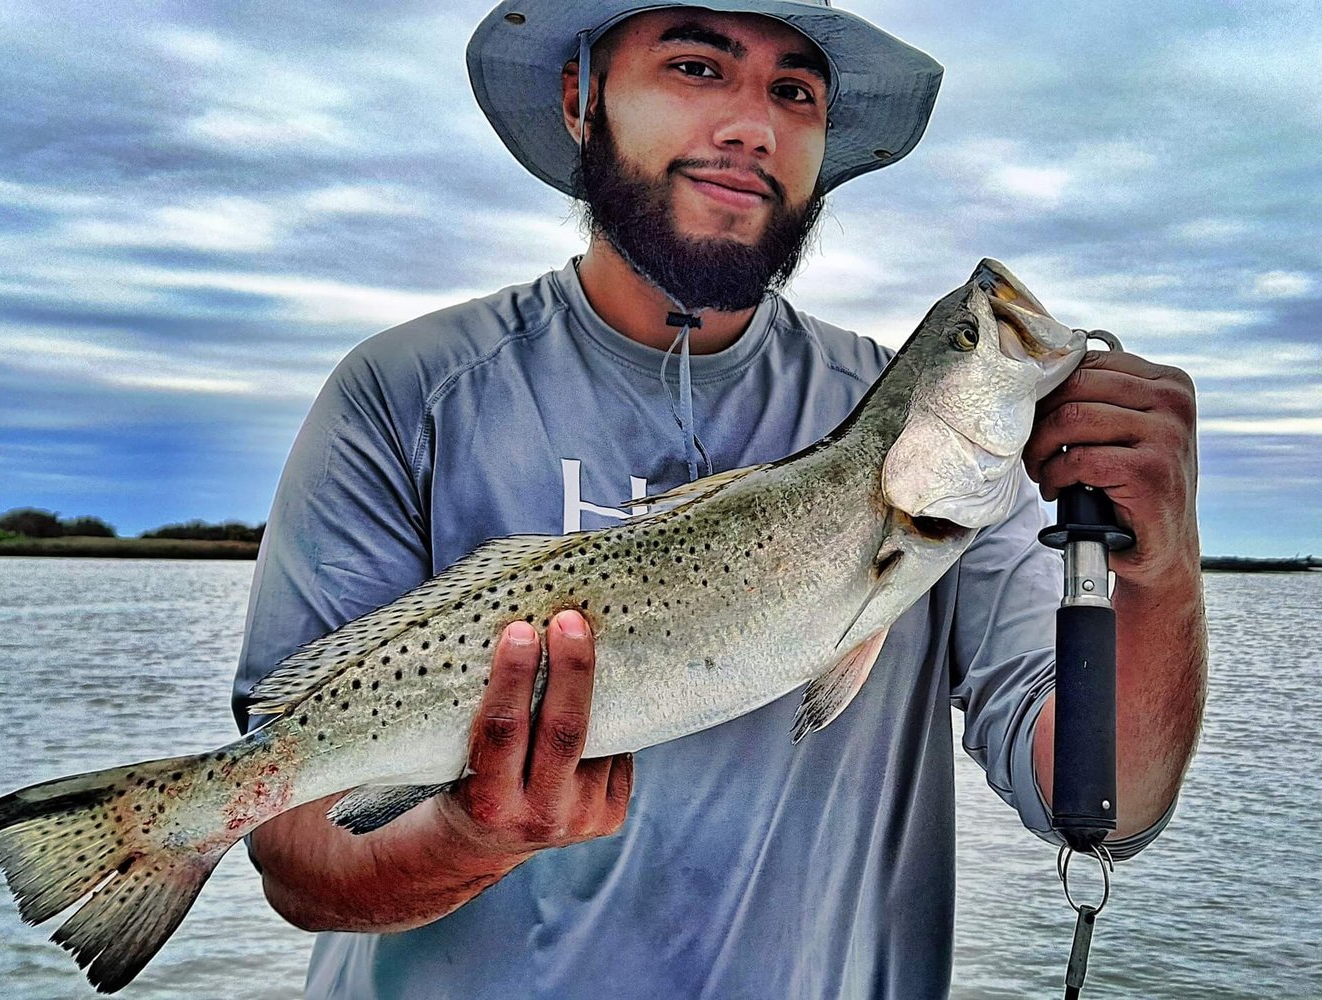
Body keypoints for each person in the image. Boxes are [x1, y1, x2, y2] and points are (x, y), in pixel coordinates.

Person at [233, 2, 1208, 997]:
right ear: (581, 95)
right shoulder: (404, 393)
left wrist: (1161, 563)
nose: (753, 125)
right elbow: (296, 853)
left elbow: (1100, 802)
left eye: (794, 90)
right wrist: (467, 834)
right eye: (697, 67)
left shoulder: (940, 455)